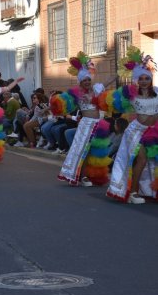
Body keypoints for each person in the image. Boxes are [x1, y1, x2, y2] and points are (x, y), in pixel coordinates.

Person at [50, 52, 114, 187]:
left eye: (88, 79)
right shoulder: (76, 93)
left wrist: (121, 73)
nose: (87, 82)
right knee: (82, 150)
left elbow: (109, 81)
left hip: (98, 124)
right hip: (86, 125)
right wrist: (49, 107)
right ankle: (81, 176)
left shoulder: (97, 89)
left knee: (94, 151)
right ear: (80, 81)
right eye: (84, 80)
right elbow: (61, 102)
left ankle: (92, 175)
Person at [105, 47, 158, 204]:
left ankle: (147, 190)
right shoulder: (130, 94)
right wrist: (118, 74)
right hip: (136, 131)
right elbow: (111, 96)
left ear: (150, 79)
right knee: (141, 160)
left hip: (153, 132)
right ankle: (133, 192)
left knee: (151, 161)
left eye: (146, 78)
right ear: (137, 79)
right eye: (140, 78)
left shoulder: (157, 92)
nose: (143, 81)